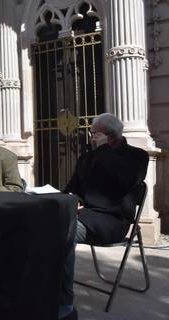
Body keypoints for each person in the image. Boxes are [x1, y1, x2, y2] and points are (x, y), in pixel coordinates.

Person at [59, 113, 149, 320]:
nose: (90, 138)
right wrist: (74, 199)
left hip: (113, 221)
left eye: (95, 134)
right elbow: (73, 189)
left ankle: (63, 304)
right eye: (91, 133)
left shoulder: (136, 156)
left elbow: (126, 180)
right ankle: (44, 287)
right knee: (49, 225)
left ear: (112, 136)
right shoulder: (87, 157)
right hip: (86, 216)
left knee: (65, 232)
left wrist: (104, 152)